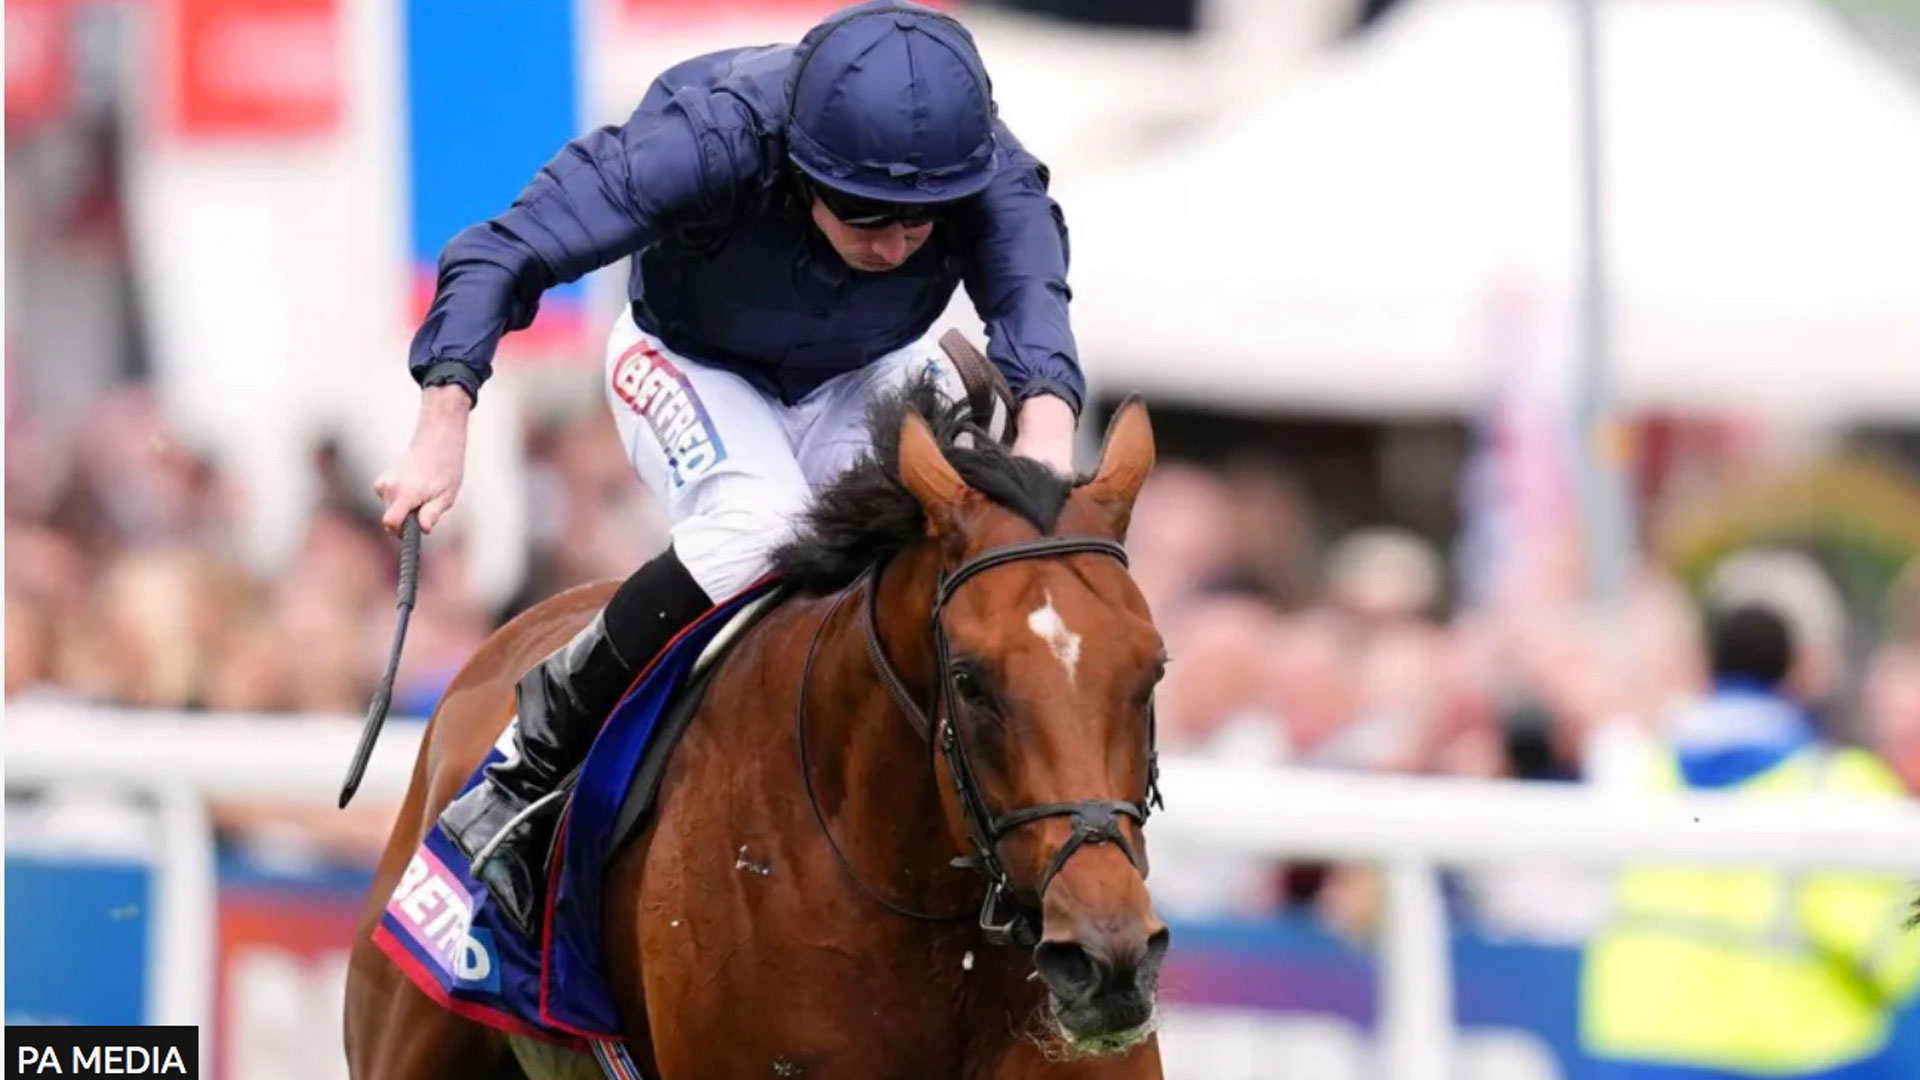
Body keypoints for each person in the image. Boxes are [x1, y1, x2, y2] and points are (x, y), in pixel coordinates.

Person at [373, 0, 1083, 934]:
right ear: (801, 167)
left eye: (922, 223)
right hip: (688, 359)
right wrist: (444, 414)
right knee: (763, 526)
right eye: (867, 213)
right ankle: (526, 770)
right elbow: (502, 251)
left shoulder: (985, 170)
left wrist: (1044, 446)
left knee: (938, 554)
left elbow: (1034, 309)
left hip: (869, 369)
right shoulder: (710, 137)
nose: (895, 245)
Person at [1580, 603, 1920, 1080]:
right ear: (1800, 671)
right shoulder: (1838, 785)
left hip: (1634, 1055)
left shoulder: (1646, 777)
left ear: (1705, 664)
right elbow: (1896, 952)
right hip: (1801, 1060)